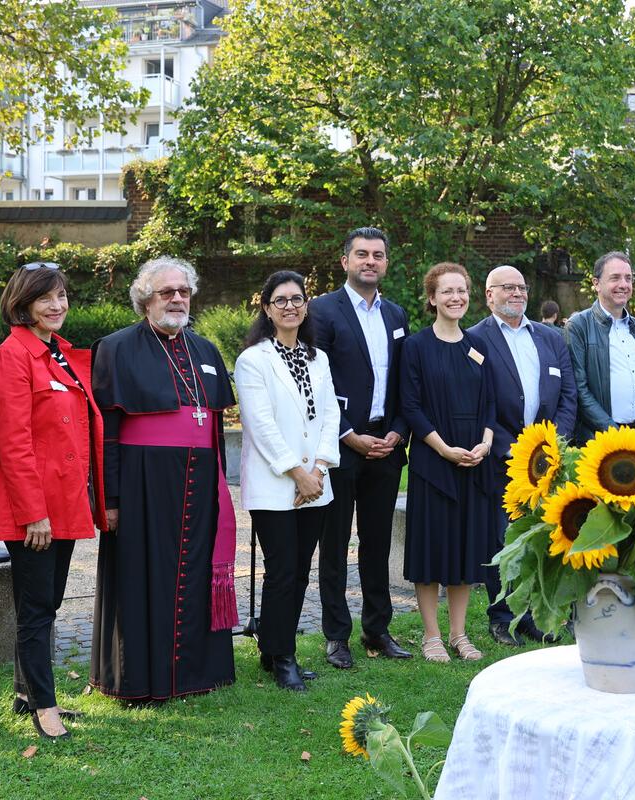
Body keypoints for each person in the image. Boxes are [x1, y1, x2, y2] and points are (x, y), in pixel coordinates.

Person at [89, 257, 238, 700]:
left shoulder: (206, 351)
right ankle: (140, 678)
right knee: (142, 578)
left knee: (195, 574)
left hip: (200, 480)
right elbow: (107, 434)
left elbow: (212, 424)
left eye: (184, 292)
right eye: (166, 292)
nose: (177, 299)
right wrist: (110, 498)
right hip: (143, 485)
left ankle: (197, 674)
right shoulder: (115, 347)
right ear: (144, 300)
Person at [0, 262, 105, 739]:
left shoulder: (60, 355)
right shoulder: (12, 356)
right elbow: (13, 442)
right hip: (30, 508)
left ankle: (27, 694)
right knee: (35, 609)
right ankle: (45, 709)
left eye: (63, 295)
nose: (57, 305)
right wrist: (34, 514)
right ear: (22, 303)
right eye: (46, 298)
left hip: (65, 502)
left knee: (48, 604)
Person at [310, 227, 414, 667]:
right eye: (361, 255)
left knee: (376, 543)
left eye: (377, 255)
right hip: (342, 444)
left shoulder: (396, 315)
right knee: (334, 543)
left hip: (386, 445)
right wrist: (347, 434)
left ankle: (377, 630)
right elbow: (317, 381)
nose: (370, 261)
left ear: (386, 263)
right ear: (345, 262)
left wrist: (398, 431)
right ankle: (336, 635)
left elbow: (406, 381)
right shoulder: (321, 311)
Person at [233, 271, 342, 691]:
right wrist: (295, 471)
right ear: (266, 308)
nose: (290, 306)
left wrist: (317, 469)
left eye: (297, 299)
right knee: (280, 572)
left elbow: (330, 414)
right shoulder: (254, 359)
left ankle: (273, 649)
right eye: (280, 300)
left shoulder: (318, 357)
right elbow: (259, 424)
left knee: (299, 572)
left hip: (316, 483)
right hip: (275, 485)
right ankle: (283, 656)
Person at [467, 265, 577, 646]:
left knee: (545, 538)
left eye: (521, 287)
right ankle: (502, 617)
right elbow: (477, 403)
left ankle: (537, 614)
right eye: (507, 288)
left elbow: (568, 397)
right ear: (489, 295)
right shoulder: (474, 340)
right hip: (503, 458)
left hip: (549, 461)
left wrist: (552, 446)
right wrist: (515, 451)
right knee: (501, 539)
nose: (516, 293)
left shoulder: (550, 338)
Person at [401, 262, 497, 662]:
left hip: (473, 463)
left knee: (463, 550)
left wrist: (486, 443)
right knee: (432, 550)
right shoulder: (415, 346)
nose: (456, 298)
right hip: (434, 461)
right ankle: (432, 636)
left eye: (462, 290)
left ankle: (459, 634)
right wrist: (443, 449)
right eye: (447, 291)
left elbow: (491, 403)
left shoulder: (476, 346)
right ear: (432, 298)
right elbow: (410, 406)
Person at [566, 251, 635, 445]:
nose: (624, 285)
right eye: (615, 278)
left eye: (628, 278)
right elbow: (580, 389)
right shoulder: (578, 326)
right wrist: (615, 432)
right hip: (600, 438)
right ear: (596, 283)